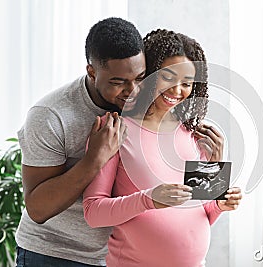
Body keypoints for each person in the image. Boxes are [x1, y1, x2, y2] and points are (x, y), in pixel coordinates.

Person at [83, 29, 242, 267]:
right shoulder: (115, 130)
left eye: (187, 83)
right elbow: (93, 213)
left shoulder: (193, 133)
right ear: (149, 74)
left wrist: (220, 202)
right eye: (168, 78)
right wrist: (148, 199)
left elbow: (204, 215)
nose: (177, 91)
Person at [15, 17, 146, 267]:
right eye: (118, 82)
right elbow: (38, 208)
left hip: (119, 255)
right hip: (53, 254)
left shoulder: (144, 102)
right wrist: (94, 159)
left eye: (140, 77)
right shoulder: (51, 114)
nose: (133, 91)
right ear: (92, 71)